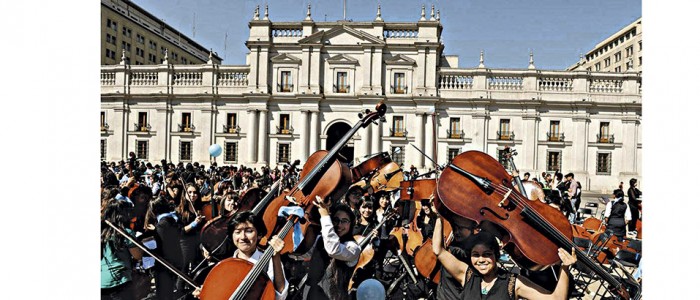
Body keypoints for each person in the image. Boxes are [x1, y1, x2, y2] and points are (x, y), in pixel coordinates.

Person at [432, 218, 576, 299]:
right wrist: (439, 216)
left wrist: (564, 268)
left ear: (496, 255)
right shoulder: (467, 275)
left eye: (487, 254)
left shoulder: (513, 282)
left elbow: (556, 299)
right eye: (476, 255)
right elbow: (438, 250)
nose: (481, 260)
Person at [194, 211, 288, 299]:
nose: (243, 237)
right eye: (238, 232)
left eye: (249, 231)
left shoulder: (270, 261)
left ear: (259, 234)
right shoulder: (225, 265)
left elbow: (281, 296)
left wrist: (276, 257)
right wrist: (207, 293)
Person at [301, 198, 361, 300]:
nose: (339, 225)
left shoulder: (353, 248)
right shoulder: (321, 239)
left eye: (344, 221)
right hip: (310, 294)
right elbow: (304, 254)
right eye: (336, 220)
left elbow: (333, 249)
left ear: (351, 225)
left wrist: (325, 215)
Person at [101, 198, 143, 299]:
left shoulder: (101, 232)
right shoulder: (126, 232)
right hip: (121, 281)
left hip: (102, 282)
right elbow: (137, 255)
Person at [147, 196, 185, 300]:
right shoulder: (172, 219)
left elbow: (162, 245)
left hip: (165, 263)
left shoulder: (162, 224)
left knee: (163, 294)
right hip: (175, 260)